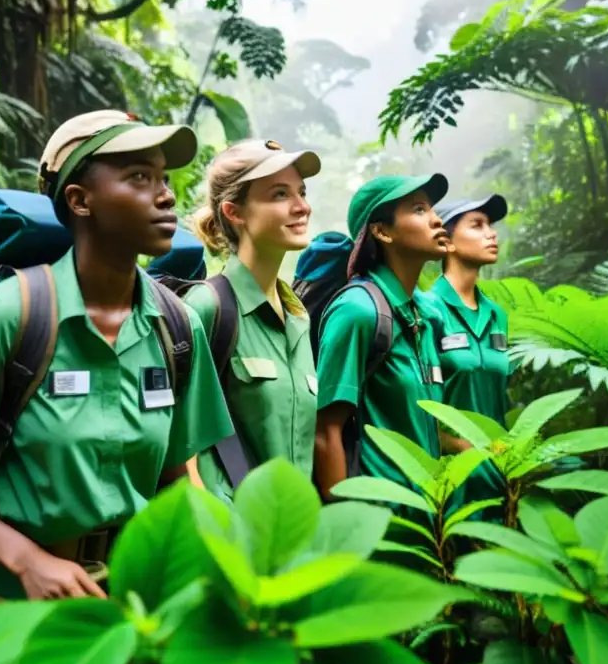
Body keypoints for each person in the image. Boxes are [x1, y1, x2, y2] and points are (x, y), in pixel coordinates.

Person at [0, 110, 233, 612]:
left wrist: (227, 560)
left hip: (135, 601)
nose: (165, 195)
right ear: (80, 200)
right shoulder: (9, 318)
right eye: (138, 177)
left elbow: (174, 477)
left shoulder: (176, 326)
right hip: (11, 602)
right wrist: (26, 560)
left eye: (164, 178)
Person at [184, 139, 322, 499]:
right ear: (234, 212)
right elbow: (181, 447)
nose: (302, 206)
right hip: (231, 538)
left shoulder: (297, 317)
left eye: (301, 192)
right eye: (280, 194)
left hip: (290, 540)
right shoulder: (208, 308)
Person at [313, 174, 450, 502]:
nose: (437, 219)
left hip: (429, 522)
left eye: (432, 208)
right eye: (418, 209)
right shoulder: (357, 311)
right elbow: (325, 432)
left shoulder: (424, 317)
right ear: (382, 231)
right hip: (379, 522)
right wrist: (346, 530)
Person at [430, 194, 511, 519]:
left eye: (490, 226)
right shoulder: (426, 309)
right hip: (450, 480)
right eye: (477, 225)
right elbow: (415, 404)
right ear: (447, 242)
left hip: (499, 473)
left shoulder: (498, 316)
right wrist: (463, 447)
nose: (491, 233)